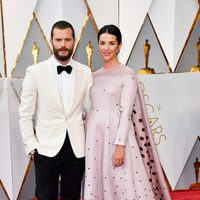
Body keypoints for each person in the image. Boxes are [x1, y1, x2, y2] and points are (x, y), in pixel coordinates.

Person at [83, 24, 171, 200]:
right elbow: (88, 107)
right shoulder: (93, 75)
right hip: (94, 134)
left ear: (119, 46)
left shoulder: (127, 74)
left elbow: (126, 113)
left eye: (111, 43)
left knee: (122, 183)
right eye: (102, 43)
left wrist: (120, 145)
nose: (106, 48)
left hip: (117, 134)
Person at [18, 20, 93, 200]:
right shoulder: (35, 72)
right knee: (45, 196)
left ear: (74, 41)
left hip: (76, 148)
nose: (63, 45)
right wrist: (32, 146)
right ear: (51, 41)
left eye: (67, 40)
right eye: (58, 40)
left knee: (72, 196)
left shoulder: (85, 72)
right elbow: (25, 114)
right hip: (45, 147)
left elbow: (89, 108)